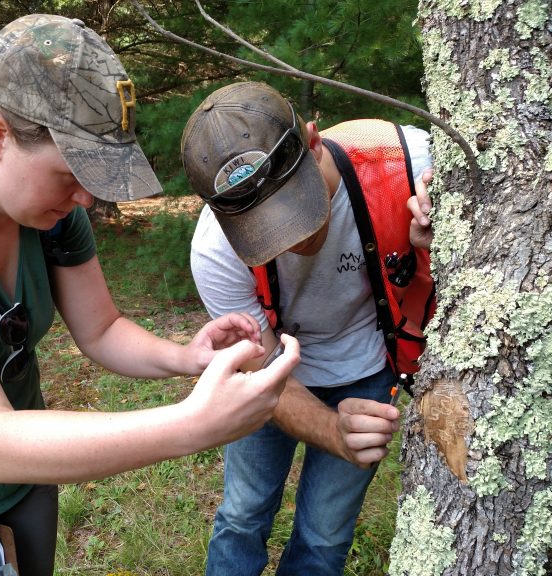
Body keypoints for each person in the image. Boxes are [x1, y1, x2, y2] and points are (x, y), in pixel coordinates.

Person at [0, 20, 299, 576]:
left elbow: (100, 330)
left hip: (30, 476)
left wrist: (185, 358)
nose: (85, 196)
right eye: (72, 171)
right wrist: (191, 425)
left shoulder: (49, 214)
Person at [182, 81, 434, 576]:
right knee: (242, 515)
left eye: (295, 208)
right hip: (271, 374)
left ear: (313, 142)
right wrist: (332, 432)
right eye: (262, 227)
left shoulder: (408, 163)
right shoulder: (216, 250)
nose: (289, 240)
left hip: (366, 370)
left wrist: (435, 242)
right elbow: (263, 368)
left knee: (324, 537)